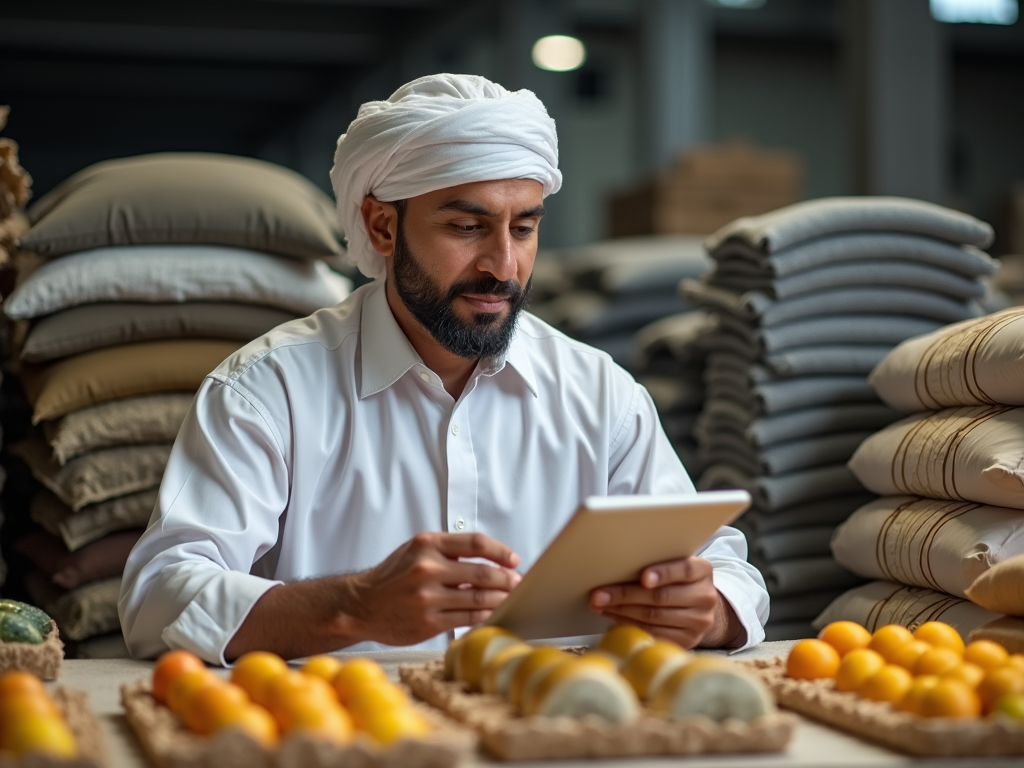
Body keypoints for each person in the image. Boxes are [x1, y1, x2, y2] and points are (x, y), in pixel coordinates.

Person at [118, 74, 768, 664]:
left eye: (523, 228)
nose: (503, 266)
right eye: (467, 226)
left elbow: (727, 568)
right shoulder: (271, 390)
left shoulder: (599, 394)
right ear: (381, 226)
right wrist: (356, 606)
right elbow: (160, 594)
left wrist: (706, 610)